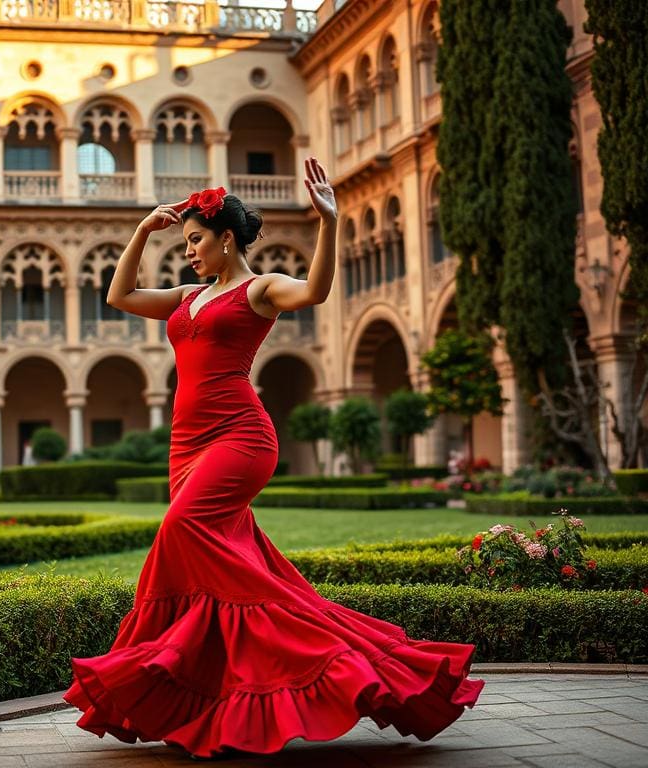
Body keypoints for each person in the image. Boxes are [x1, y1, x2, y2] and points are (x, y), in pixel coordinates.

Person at [63, 157, 484, 759]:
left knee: (182, 530)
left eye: (194, 241)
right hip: (187, 445)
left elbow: (315, 291)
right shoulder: (188, 296)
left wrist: (329, 223)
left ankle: (313, 656)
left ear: (225, 239)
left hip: (241, 437)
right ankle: (225, 701)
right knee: (222, 567)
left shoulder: (260, 290)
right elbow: (119, 293)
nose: (188, 252)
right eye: (184, 242)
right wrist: (141, 232)